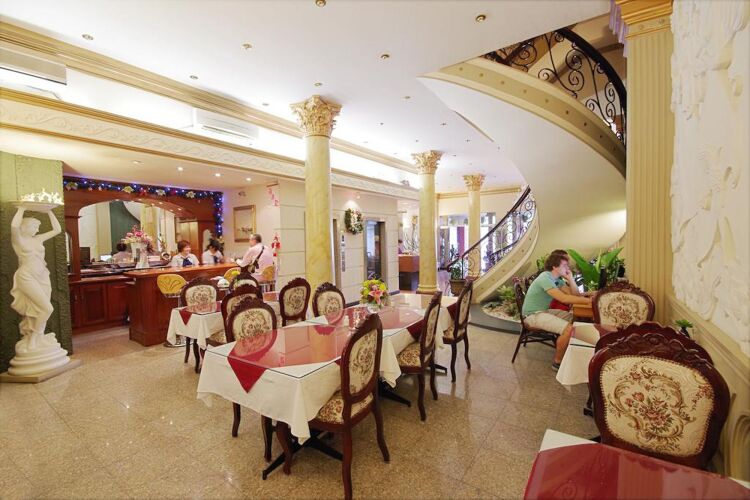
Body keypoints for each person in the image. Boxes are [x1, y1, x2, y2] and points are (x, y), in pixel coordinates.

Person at [522, 252, 592, 370]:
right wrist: (588, 301)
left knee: (575, 319)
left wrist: (570, 278)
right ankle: (557, 362)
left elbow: (575, 295)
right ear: (555, 266)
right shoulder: (545, 278)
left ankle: (573, 350)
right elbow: (563, 298)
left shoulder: (557, 280)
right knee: (570, 330)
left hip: (543, 311)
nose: (567, 268)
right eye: (565, 265)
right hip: (532, 315)